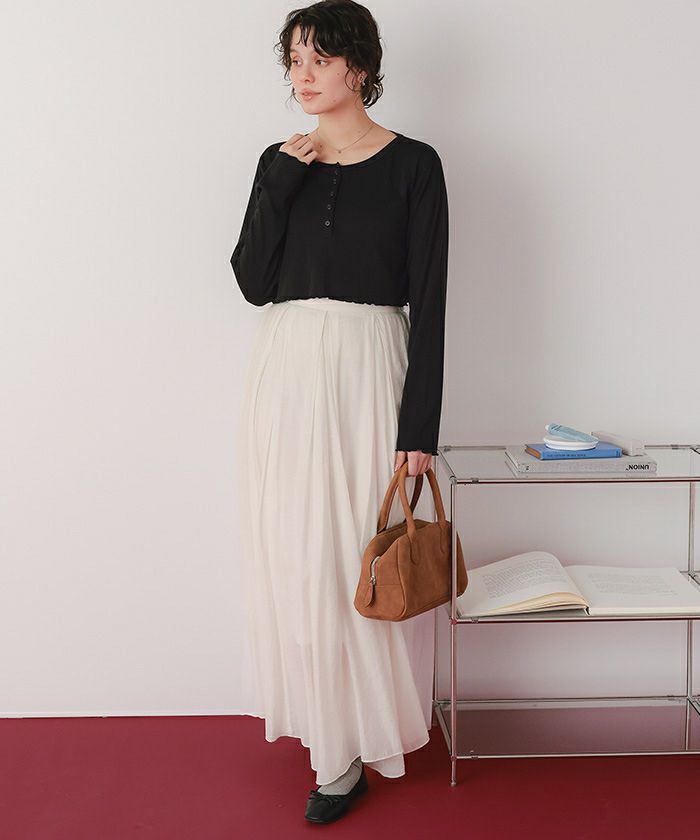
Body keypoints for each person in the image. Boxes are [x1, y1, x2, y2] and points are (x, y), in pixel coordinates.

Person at [230, 0, 449, 824]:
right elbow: (253, 281)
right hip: (286, 371)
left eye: (319, 58)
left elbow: (430, 300)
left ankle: (360, 737)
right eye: (294, 60)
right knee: (297, 556)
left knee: (359, 551)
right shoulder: (278, 160)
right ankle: (333, 747)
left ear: (360, 65)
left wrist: (418, 429)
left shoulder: (414, 165)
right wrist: (281, 182)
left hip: (370, 369)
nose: (304, 74)